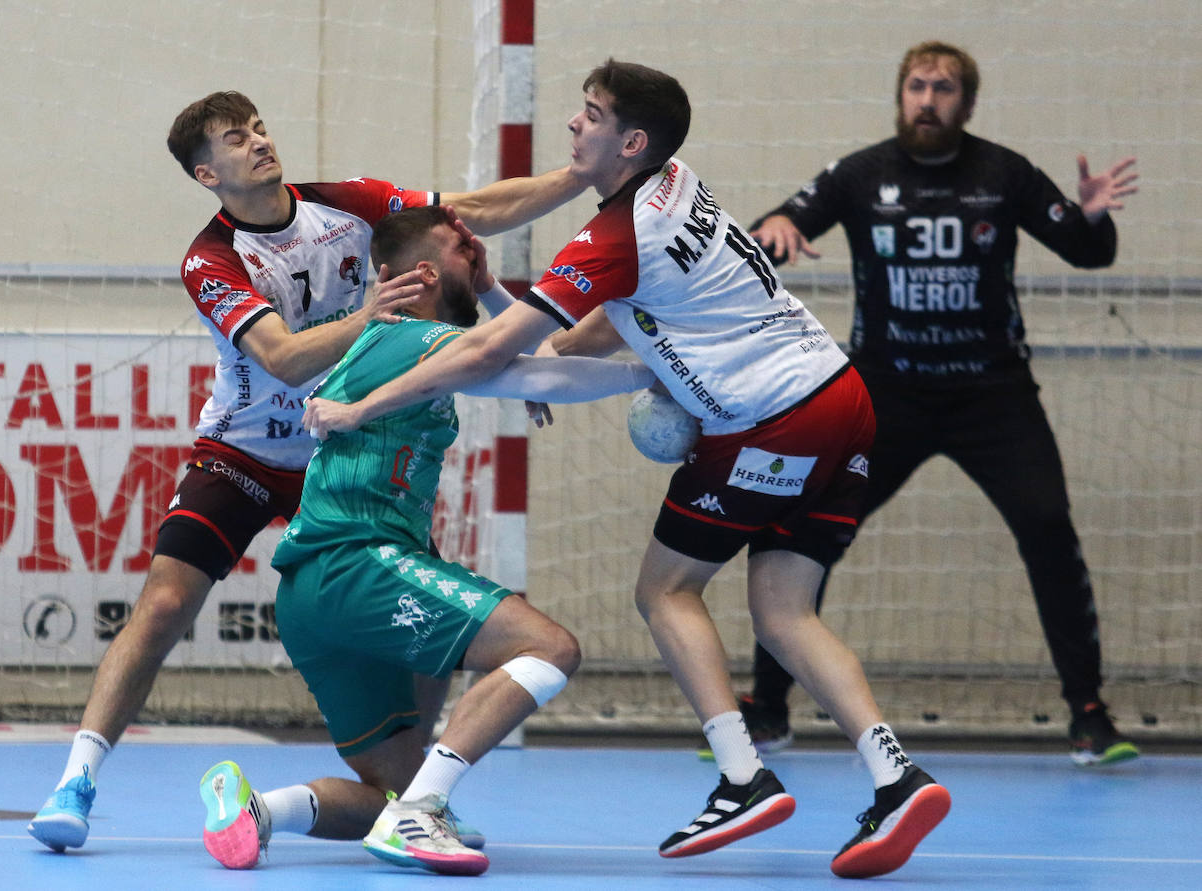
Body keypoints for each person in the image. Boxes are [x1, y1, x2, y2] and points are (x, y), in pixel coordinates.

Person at [303, 59, 951, 880]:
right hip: (844, 399)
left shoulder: (615, 234)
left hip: (771, 420)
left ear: (632, 141)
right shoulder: (677, 185)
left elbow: (490, 353)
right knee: (785, 610)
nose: (575, 125)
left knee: (665, 589)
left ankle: (743, 775)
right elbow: (590, 337)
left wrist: (358, 408)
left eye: (592, 114)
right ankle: (896, 775)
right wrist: (527, 329)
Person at [27, 90, 587, 853]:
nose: (259, 142)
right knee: (163, 604)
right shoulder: (212, 258)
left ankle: (409, 789)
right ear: (206, 173)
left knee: (419, 615)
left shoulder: (345, 205)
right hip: (249, 449)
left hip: (348, 448)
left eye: (259, 127)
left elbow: (472, 213)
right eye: (236, 138)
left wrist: (587, 178)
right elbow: (283, 357)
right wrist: (374, 315)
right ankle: (77, 780)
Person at [197, 205, 657, 876]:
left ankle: (257, 809)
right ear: (420, 271)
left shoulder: (414, 352)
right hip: (355, 563)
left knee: (391, 791)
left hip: (313, 595)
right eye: (461, 241)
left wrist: (511, 316)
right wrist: (658, 378)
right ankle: (424, 811)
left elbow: (522, 355)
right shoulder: (404, 333)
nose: (476, 246)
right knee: (549, 647)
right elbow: (536, 369)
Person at [741, 40, 1141, 767]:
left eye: (945, 88)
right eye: (918, 86)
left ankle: (1089, 713)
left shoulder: (1004, 172)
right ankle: (767, 708)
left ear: (968, 103)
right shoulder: (861, 174)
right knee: (808, 529)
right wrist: (773, 232)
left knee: (1048, 526)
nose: (929, 99)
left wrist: (1094, 217)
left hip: (993, 396)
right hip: (884, 396)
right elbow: (776, 225)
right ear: (900, 96)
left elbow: (1090, 253)